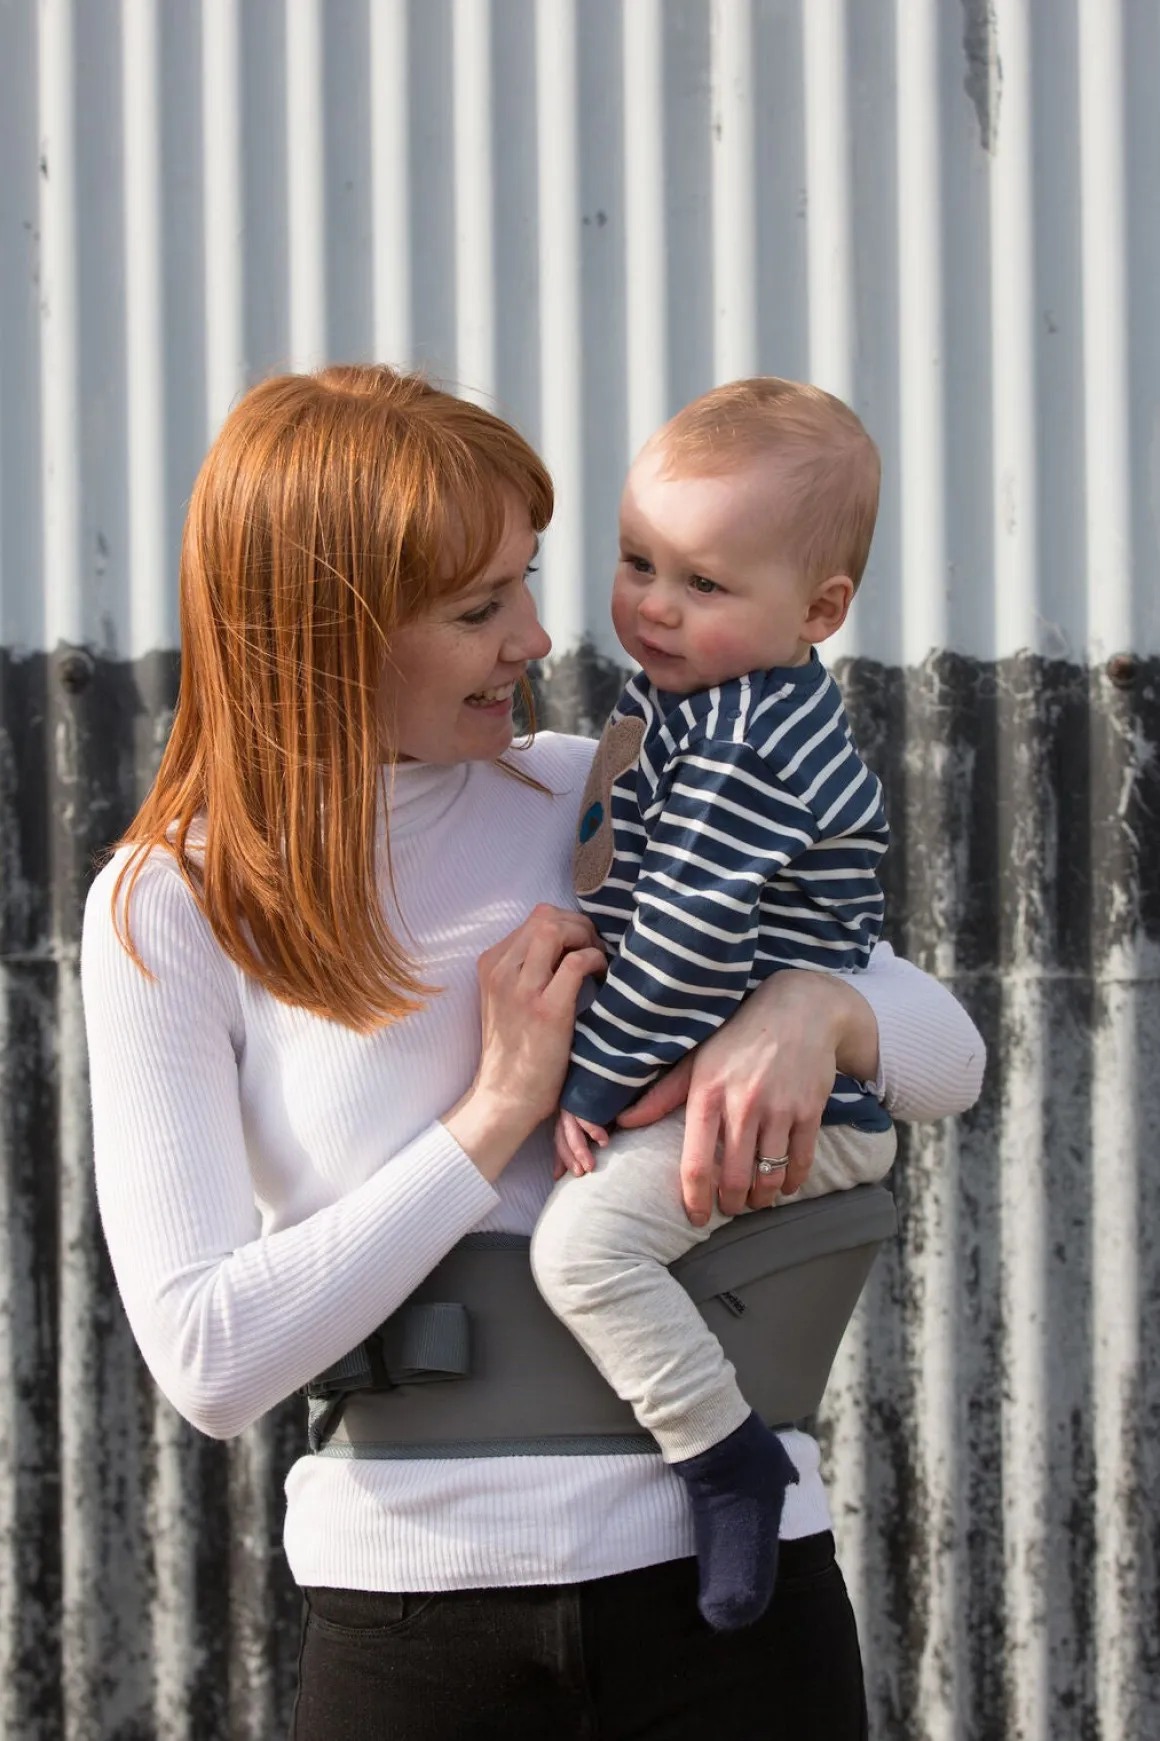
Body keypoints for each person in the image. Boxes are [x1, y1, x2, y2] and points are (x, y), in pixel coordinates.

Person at [81, 364, 984, 1741]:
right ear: (330, 630)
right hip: (407, 1623)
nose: (540, 635)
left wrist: (813, 1009)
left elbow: (951, 1058)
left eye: (531, 580)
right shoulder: (174, 900)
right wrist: (497, 1108)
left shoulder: (604, 783)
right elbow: (210, 1361)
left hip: (730, 1589)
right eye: (478, 606)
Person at [532, 379, 898, 1633]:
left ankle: (724, 1456)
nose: (651, 605)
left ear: (819, 609)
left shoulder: (744, 740)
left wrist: (587, 1084)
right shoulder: (696, 698)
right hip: (742, 1069)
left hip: (811, 1102)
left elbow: (688, 946)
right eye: (637, 560)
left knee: (580, 1248)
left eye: (701, 583)